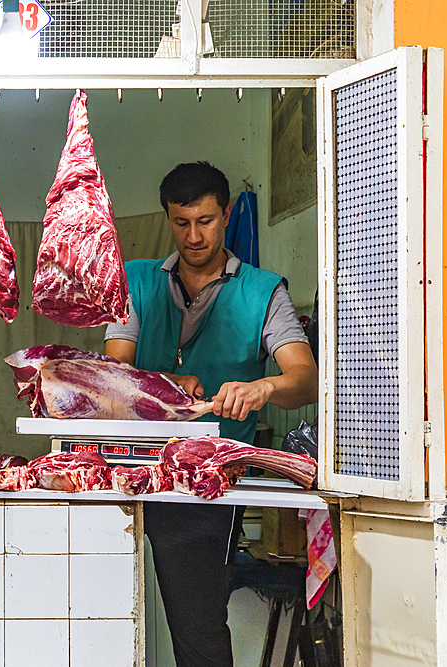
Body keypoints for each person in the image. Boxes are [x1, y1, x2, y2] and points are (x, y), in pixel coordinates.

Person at [105, 161, 318, 667]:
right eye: (182, 223)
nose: (194, 235)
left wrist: (266, 385)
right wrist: (166, 384)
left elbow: (304, 379)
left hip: (207, 477)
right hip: (128, 465)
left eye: (205, 220)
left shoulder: (264, 291)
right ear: (169, 219)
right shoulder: (136, 280)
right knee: (103, 608)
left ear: (226, 215)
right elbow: (112, 372)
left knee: (196, 620)